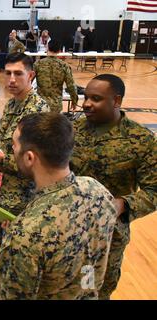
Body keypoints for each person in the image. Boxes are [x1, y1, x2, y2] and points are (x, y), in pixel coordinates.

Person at [0, 112, 117, 300]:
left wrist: (21, 239)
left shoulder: (25, 235)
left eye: (14, 145)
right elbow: (90, 258)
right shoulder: (98, 191)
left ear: (29, 157)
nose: (12, 149)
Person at [70, 74, 157, 299]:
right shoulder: (73, 130)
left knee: (95, 289)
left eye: (96, 98)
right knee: (69, 284)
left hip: (107, 234)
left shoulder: (141, 140)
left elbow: (153, 191)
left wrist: (121, 204)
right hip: (69, 226)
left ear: (116, 101)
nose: (86, 104)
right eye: (85, 97)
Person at [0, 53, 50, 278]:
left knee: (19, 242)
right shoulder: (13, 103)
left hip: (24, 193)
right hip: (5, 186)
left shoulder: (37, 110)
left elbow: (36, 162)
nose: (11, 79)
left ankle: (14, 283)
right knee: (2, 234)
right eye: (7, 73)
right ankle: (3, 268)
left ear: (31, 75)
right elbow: (9, 133)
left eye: (18, 73)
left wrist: (0, 158)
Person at [34, 39, 78, 113]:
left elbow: (27, 82)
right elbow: (71, 86)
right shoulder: (64, 66)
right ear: (59, 51)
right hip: (56, 106)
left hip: (40, 104)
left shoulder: (37, 64)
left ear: (47, 48)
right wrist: (74, 101)